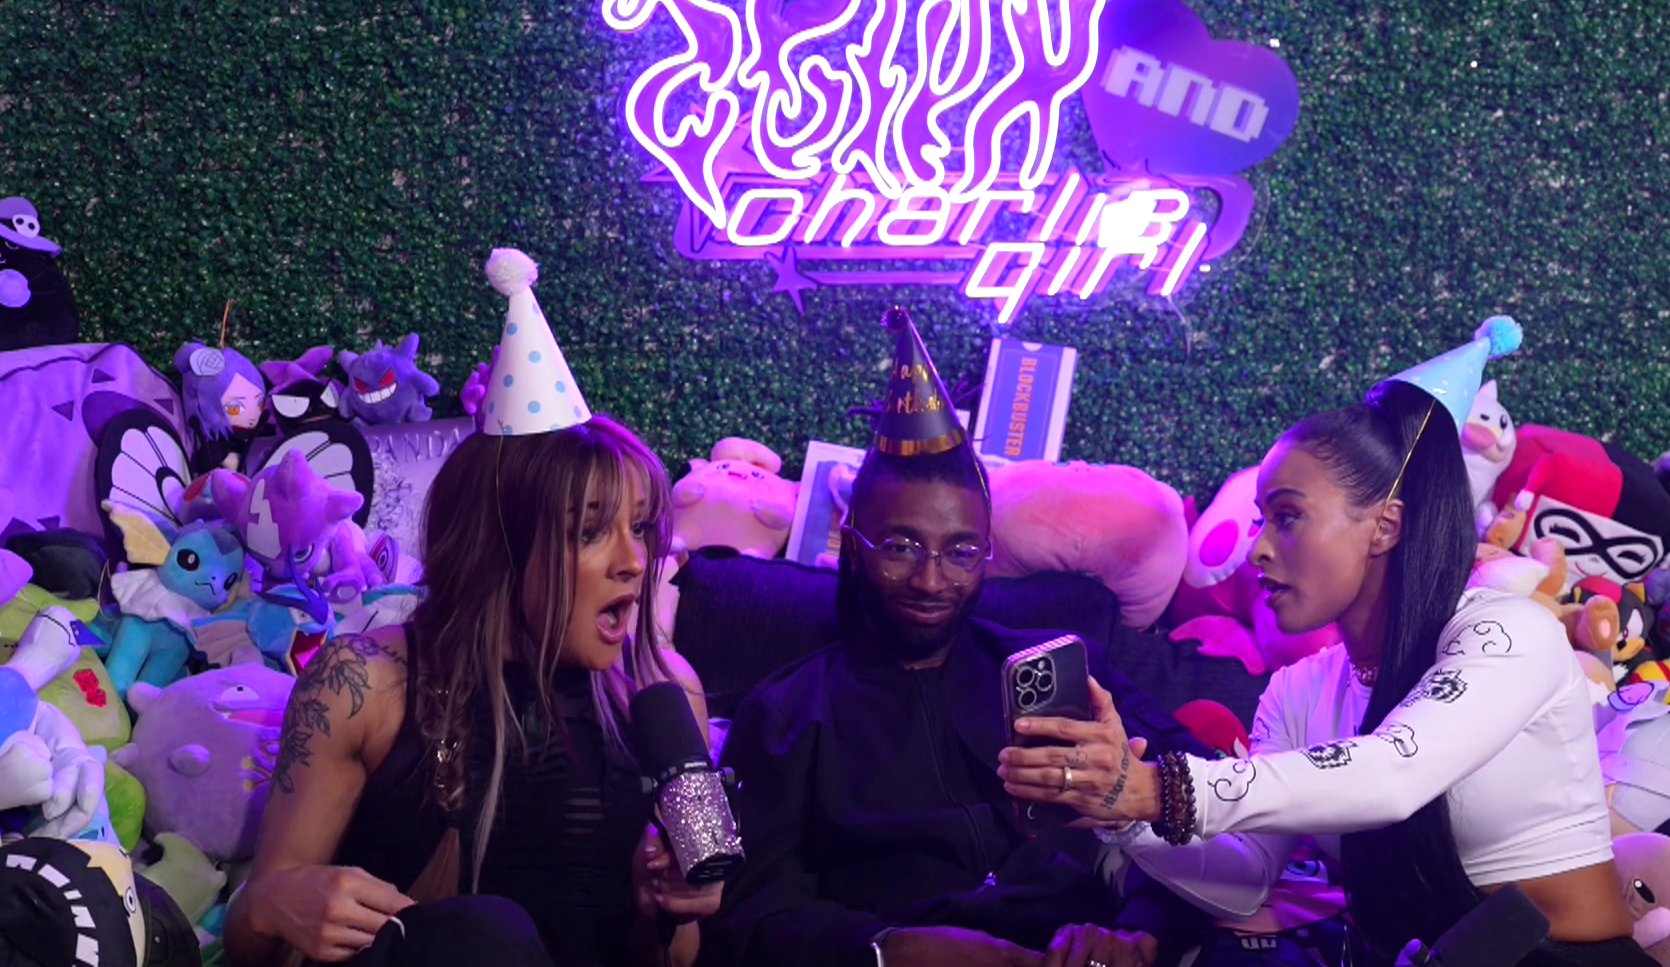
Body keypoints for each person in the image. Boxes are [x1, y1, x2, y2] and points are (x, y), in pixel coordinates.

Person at [1000, 319, 1662, 967]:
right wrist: (1124, 814)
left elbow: (1395, 772)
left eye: (1287, 516)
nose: (1257, 550)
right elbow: (1246, 879)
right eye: (1260, 519)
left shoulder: (1505, 632)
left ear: (1385, 526)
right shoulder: (1298, 689)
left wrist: (1158, 789)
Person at [224, 249, 721, 967]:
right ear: (499, 546)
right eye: (589, 532)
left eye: (641, 528)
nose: (635, 561)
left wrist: (670, 910)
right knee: (486, 933)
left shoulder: (667, 691)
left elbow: (675, 959)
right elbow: (250, 941)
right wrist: (279, 902)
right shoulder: (362, 684)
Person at [701, 307, 1210, 967]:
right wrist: (887, 949)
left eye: (962, 551)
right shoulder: (785, 713)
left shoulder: (1063, 667)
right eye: (901, 546)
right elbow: (751, 913)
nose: (931, 579)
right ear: (852, 545)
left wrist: (1142, 930)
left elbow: (1203, 794)